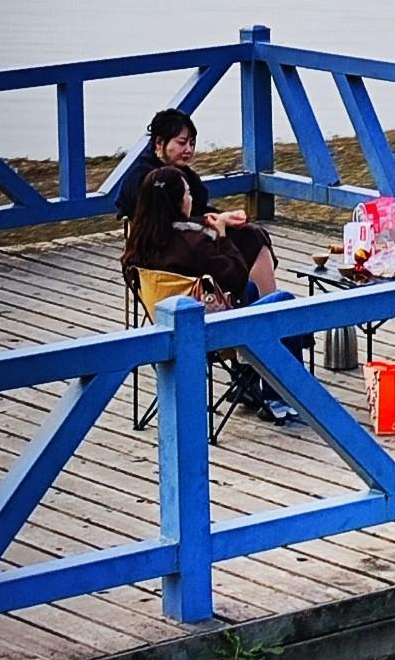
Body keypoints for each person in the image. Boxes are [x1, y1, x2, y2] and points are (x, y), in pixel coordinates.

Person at [122, 166, 296, 424]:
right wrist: (223, 237)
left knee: (252, 293)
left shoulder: (137, 246)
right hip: (208, 332)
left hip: (164, 327)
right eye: (188, 193)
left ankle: (248, 381)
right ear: (178, 201)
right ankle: (278, 397)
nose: (191, 198)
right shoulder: (194, 243)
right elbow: (236, 277)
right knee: (282, 303)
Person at [116, 108, 278, 295]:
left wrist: (224, 217)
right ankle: (263, 304)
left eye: (192, 144)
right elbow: (166, 220)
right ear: (159, 143)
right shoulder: (145, 179)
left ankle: (258, 296)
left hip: (184, 240)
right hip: (172, 249)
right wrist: (219, 227)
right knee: (250, 238)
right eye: (182, 143)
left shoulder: (185, 174)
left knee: (250, 232)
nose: (188, 150)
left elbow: (198, 208)